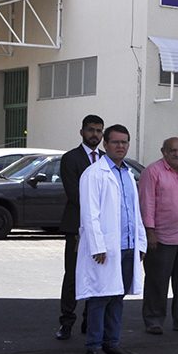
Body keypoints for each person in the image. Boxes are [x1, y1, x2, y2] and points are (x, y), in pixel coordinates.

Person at [77, 124, 146, 354]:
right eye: (115, 142)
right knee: (100, 297)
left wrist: (141, 244)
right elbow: (89, 214)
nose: (120, 146)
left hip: (127, 246)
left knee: (117, 296)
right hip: (105, 249)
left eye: (124, 142)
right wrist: (98, 246)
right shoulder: (94, 174)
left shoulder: (127, 174)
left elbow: (135, 213)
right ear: (105, 145)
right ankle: (94, 346)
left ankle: (112, 343)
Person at [138, 137, 178, 334]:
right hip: (161, 237)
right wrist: (149, 232)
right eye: (172, 150)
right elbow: (146, 203)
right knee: (157, 281)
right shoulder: (152, 172)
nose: (176, 154)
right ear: (163, 151)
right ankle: (154, 321)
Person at [56, 114, 103, 341]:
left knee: (97, 275)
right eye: (91, 130)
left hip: (103, 229)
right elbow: (74, 194)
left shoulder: (106, 159)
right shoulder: (70, 158)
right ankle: (66, 322)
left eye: (99, 131)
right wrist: (99, 209)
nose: (95, 134)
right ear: (82, 132)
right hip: (77, 227)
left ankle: (89, 321)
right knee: (73, 276)